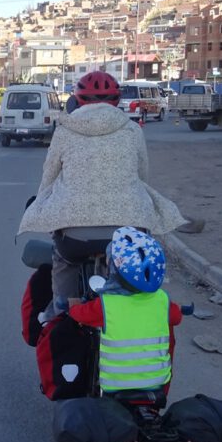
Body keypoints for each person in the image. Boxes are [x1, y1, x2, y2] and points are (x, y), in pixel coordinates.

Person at [18, 70, 187, 322]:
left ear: (77, 101)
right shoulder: (132, 130)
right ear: (116, 101)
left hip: (76, 239)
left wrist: (41, 203)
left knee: (64, 260)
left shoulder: (65, 130)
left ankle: (58, 314)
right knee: (131, 272)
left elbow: (49, 178)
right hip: (128, 233)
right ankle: (136, 315)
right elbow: (142, 175)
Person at [67, 227, 183, 397]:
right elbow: (177, 316)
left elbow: (79, 315)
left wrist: (72, 306)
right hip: (157, 384)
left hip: (115, 386)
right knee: (169, 331)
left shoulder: (106, 304)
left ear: (115, 270)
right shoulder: (162, 301)